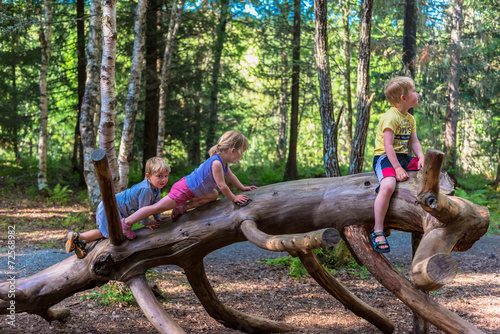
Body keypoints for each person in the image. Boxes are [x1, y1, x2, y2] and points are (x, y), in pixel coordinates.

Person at [121, 130, 258, 229]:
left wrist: (242, 188)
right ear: (233, 150)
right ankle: (126, 222)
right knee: (155, 208)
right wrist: (234, 198)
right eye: (242, 153)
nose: (241, 156)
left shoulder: (224, 163)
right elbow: (222, 186)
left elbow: (231, 177)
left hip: (193, 192)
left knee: (213, 194)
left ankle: (183, 207)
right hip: (183, 190)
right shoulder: (216, 163)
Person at [65, 157, 171, 258]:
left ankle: (79, 242)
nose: (163, 180)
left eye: (166, 176)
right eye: (159, 176)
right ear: (148, 176)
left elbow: (156, 203)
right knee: (110, 234)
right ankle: (78, 237)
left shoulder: (156, 188)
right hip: (111, 207)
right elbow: (144, 209)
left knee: (107, 232)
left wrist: (158, 217)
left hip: (114, 208)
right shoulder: (146, 189)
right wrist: (147, 223)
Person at [372, 76, 424, 253]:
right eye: (414, 91)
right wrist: (397, 168)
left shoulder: (410, 119)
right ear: (404, 98)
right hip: (385, 157)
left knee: (428, 170)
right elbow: (387, 146)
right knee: (388, 185)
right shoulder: (390, 117)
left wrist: (422, 157)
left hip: (402, 156)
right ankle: (378, 230)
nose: (417, 94)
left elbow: (414, 142)